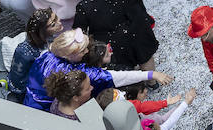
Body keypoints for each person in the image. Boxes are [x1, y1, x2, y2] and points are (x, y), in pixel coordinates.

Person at [23, 28, 169, 110]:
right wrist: (151, 74)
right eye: (82, 51)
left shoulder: (46, 55)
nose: (87, 52)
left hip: (29, 101)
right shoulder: (77, 74)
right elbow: (115, 77)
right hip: (42, 109)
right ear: (69, 55)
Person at [73, 0, 160, 69]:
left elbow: (79, 32)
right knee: (145, 56)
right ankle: (152, 82)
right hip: (136, 28)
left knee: (124, 68)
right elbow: (139, 3)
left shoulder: (85, 6)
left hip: (112, 43)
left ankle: (136, 84)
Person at [7, 8, 63, 102]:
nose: (60, 23)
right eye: (53, 24)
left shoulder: (48, 39)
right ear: (42, 32)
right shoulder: (25, 53)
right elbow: (18, 84)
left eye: (57, 18)